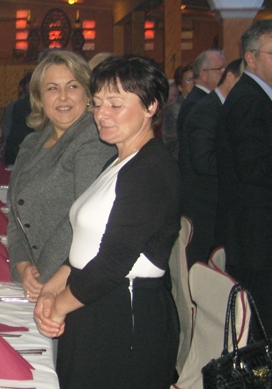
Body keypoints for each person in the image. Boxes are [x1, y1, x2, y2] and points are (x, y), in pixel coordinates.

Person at [35, 55, 180, 388]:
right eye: (98, 104)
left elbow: (113, 262)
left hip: (123, 313)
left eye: (115, 104)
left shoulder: (151, 170)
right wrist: (51, 289)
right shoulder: (118, 161)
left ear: (151, 106)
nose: (101, 114)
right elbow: (85, 245)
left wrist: (58, 307)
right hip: (91, 300)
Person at [216, 19, 272, 339]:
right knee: (260, 331)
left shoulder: (261, 96)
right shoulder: (249, 100)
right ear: (251, 58)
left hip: (263, 239)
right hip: (260, 242)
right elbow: (253, 168)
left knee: (262, 325)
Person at [6, 50, 115, 301]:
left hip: (74, 282)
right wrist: (22, 266)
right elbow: (15, 212)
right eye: (52, 88)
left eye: (72, 86)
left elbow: (80, 218)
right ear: (39, 98)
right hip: (38, 281)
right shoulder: (32, 142)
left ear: (88, 94)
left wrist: (44, 276)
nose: (63, 96)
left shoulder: (93, 139)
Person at [181, 59, 244, 267]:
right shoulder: (207, 108)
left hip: (213, 205)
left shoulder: (219, 106)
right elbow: (203, 160)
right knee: (203, 265)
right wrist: (241, 163)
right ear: (231, 77)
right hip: (205, 205)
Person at [162, 63, 193, 159]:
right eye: (189, 80)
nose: (194, 83)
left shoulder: (204, 104)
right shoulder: (173, 109)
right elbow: (171, 143)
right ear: (180, 87)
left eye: (196, 78)